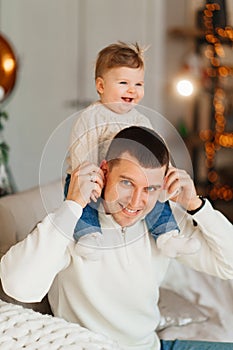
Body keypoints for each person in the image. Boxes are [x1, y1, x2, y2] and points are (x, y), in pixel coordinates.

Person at [1, 126, 233, 350]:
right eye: (126, 183)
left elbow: (229, 266)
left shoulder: (165, 228)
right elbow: (18, 286)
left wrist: (196, 206)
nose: (135, 202)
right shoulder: (72, 226)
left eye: (150, 189)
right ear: (104, 172)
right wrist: (72, 205)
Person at [65, 41, 195, 258]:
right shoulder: (92, 117)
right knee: (83, 203)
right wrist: (90, 178)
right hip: (94, 176)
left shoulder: (140, 119)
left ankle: (167, 236)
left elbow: (157, 150)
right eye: (124, 82)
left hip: (130, 178)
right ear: (101, 86)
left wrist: (167, 173)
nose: (132, 90)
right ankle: (89, 236)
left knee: (153, 198)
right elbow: (82, 148)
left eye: (138, 84)